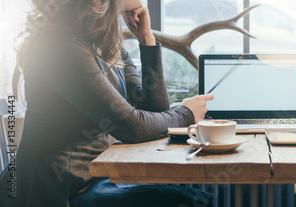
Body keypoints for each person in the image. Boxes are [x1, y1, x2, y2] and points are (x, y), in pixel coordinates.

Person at [0, 0, 214, 206]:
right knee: (188, 199)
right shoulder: (62, 47)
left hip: (88, 181)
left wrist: (146, 40)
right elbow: (132, 126)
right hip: (54, 191)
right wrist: (186, 113)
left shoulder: (105, 44)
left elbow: (153, 111)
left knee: (190, 197)